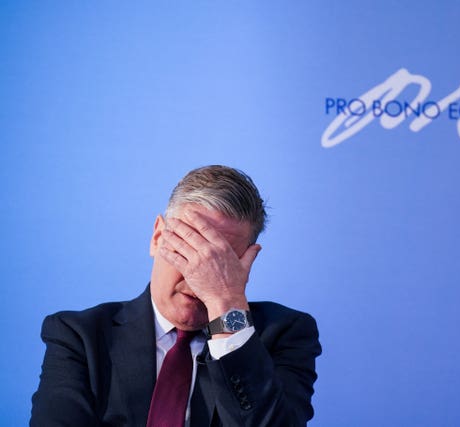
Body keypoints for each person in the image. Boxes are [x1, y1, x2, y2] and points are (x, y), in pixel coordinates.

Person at [31, 165, 322, 427]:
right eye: (188, 251)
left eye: (219, 263)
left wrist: (224, 303)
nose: (198, 279)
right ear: (158, 237)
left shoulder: (285, 334)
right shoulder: (79, 336)